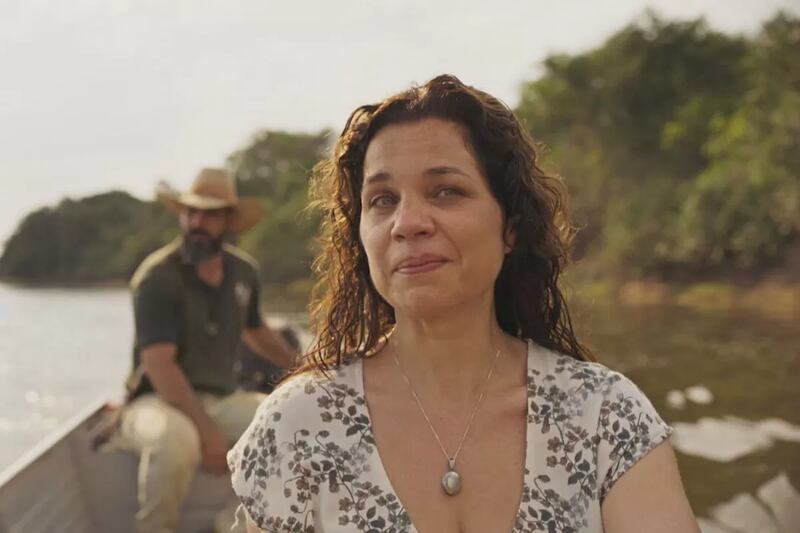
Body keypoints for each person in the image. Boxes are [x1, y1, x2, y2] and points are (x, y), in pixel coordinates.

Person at [228, 75, 699, 532]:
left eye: (446, 191)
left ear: (511, 227)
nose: (407, 223)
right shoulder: (300, 422)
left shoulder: (603, 416)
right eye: (383, 200)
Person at [116, 167, 297, 533]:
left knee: (293, 429)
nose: (197, 222)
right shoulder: (157, 277)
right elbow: (159, 365)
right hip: (156, 400)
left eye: (210, 214)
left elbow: (257, 332)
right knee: (174, 441)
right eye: (191, 212)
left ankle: (229, 526)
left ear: (229, 220)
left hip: (223, 398)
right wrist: (208, 433)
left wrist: (307, 369)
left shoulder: (244, 272)